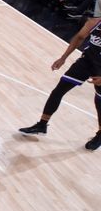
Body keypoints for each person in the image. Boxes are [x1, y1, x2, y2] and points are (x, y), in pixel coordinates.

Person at [19, 16, 101, 150]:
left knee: (99, 102)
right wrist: (63, 58)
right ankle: (42, 124)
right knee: (58, 90)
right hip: (86, 62)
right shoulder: (94, 22)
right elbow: (79, 38)